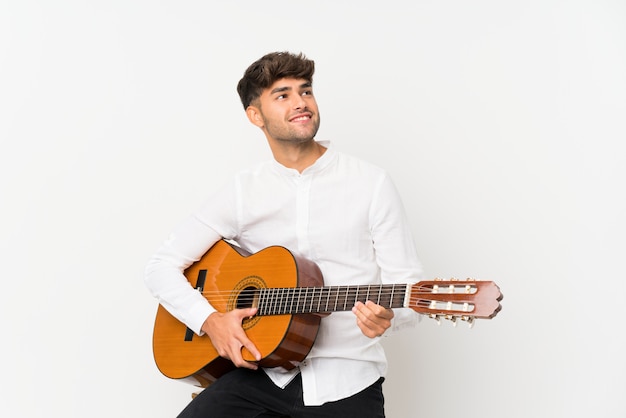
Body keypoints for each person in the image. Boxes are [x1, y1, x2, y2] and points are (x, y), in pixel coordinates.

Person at [145, 51, 424, 418]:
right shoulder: (244, 190)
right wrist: (210, 321)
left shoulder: (371, 184)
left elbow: (410, 288)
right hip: (263, 371)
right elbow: (160, 267)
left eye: (305, 91)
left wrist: (389, 315)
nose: (301, 103)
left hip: (348, 379)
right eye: (283, 95)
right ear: (255, 115)